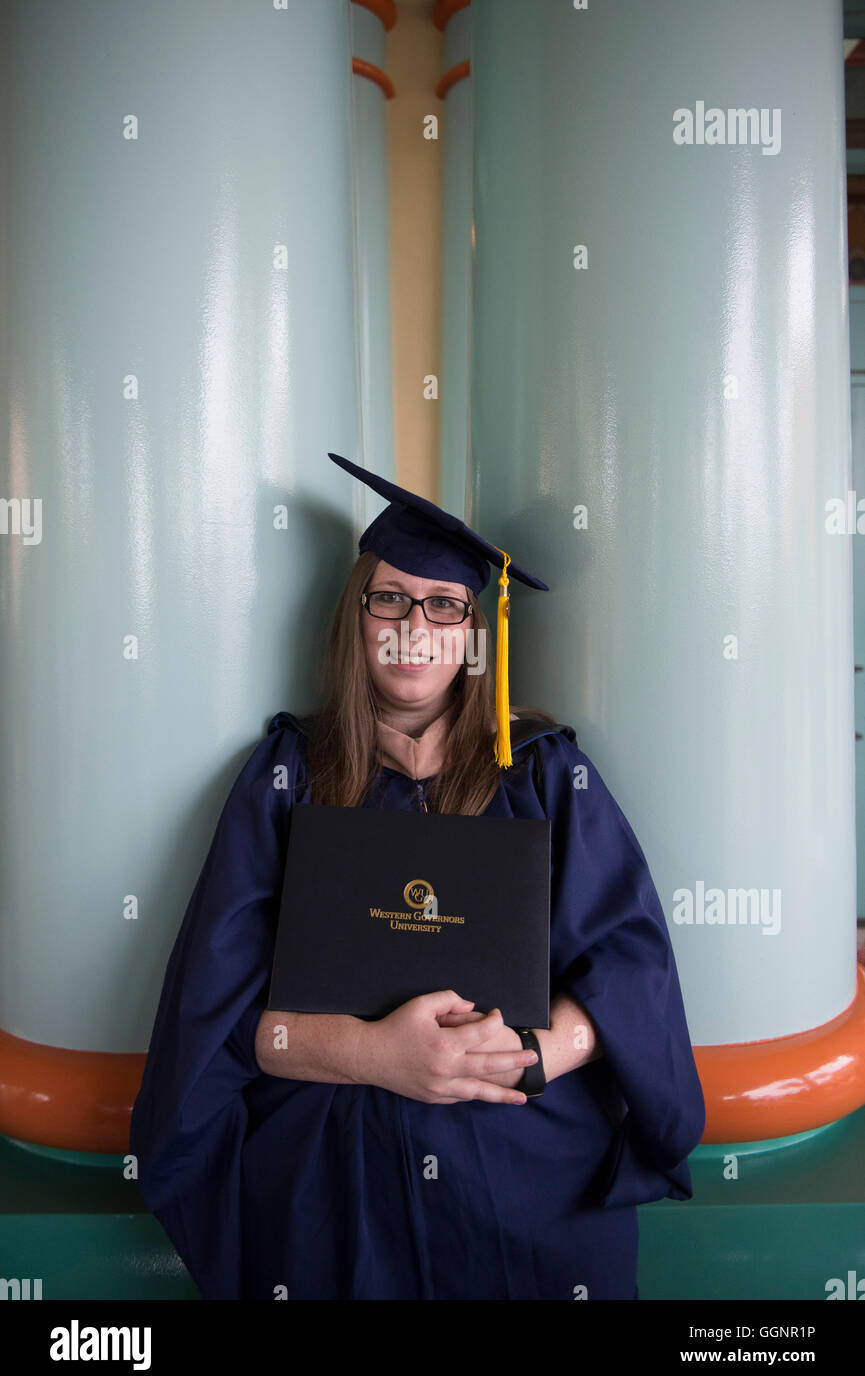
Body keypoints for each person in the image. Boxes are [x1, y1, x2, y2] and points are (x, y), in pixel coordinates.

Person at [130, 452, 706, 1301]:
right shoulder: (287, 775)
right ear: (355, 618)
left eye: (445, 606)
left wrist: (532, 1058)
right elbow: (213, 1019)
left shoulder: (545, 777)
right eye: (389, 598)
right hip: (336, 1171)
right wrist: (373, 1055)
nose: (414, 625)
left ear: (476, 635)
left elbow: (631, 974)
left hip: (516, 1156)